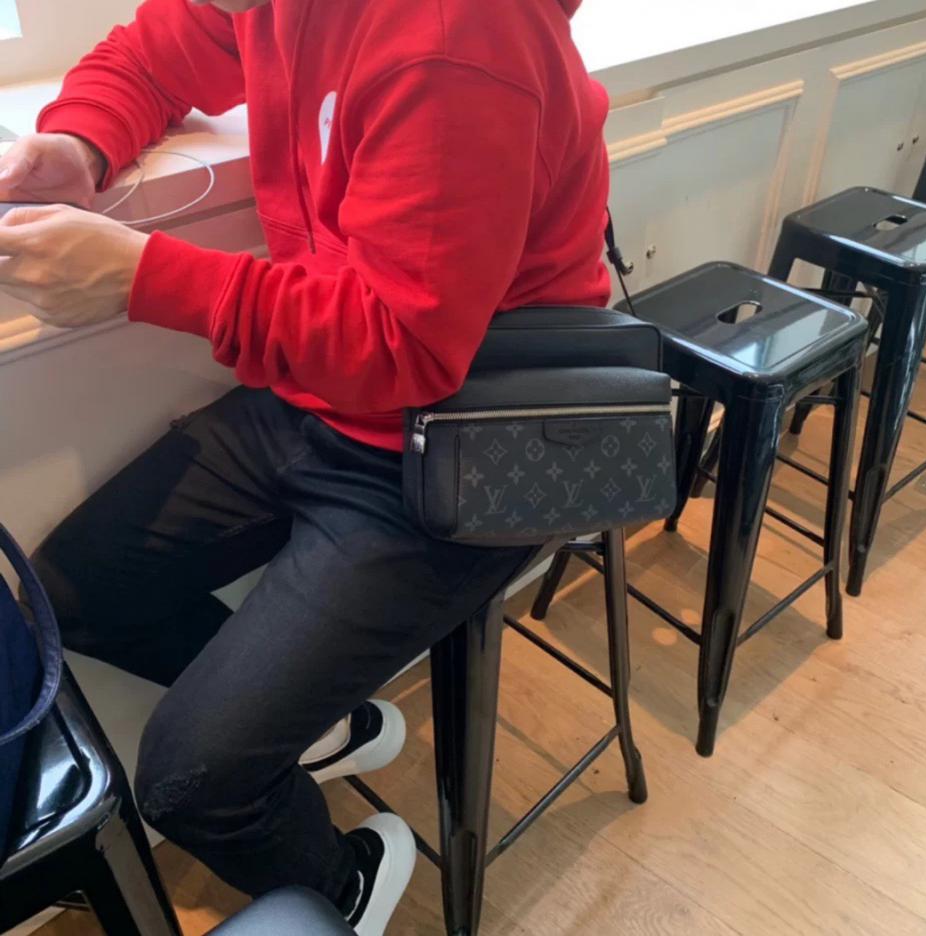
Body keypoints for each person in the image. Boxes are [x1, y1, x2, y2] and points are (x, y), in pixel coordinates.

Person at [0, 0, 610, 930]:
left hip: (472, 435)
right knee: (69, 596)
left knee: (190, 786)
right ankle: (323, 727)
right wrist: (82, 142)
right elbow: (153, 55)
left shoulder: (459, 34)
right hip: (320, 395)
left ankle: (343, 884)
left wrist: (141, 278)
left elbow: (409, 348)